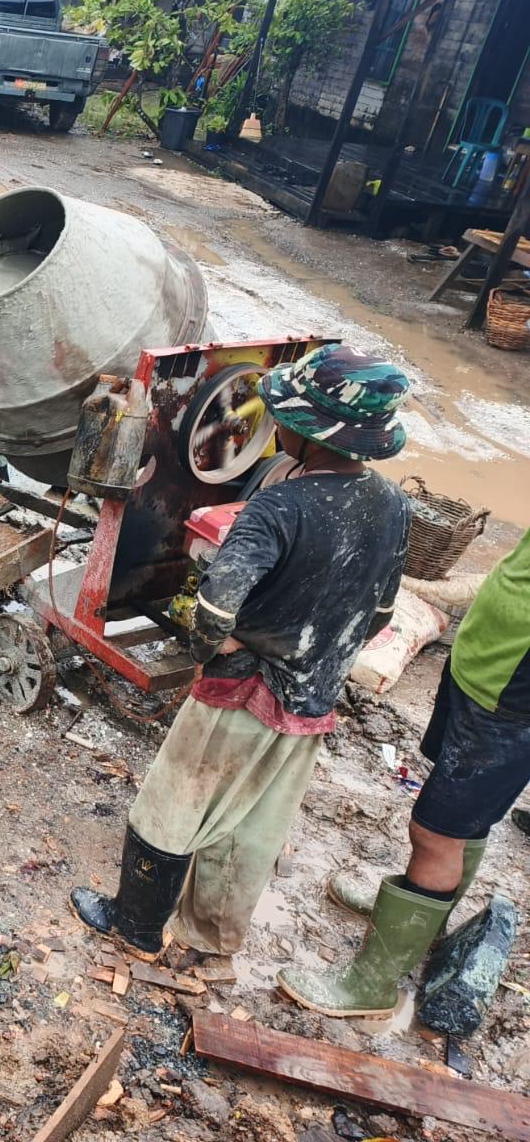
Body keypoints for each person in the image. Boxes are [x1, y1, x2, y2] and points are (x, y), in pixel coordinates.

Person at [70, 345, 413, 961]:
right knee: (253, 822)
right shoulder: (393, 505)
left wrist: (215, 651)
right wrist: (316, 653)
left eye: (284, 416)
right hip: (314, 698)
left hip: (244, 691)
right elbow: (380, 615)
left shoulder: (279, 508)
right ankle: (210, 937)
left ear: (310, 432)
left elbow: (212, 609)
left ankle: (136, 927)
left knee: (175, 802)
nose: (274, 424)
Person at [280, 526, 530, 1017]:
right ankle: (423, 921)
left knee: (436, 833)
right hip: (482, 667)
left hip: (510, 705)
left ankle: (371, 986)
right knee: (462, 818)